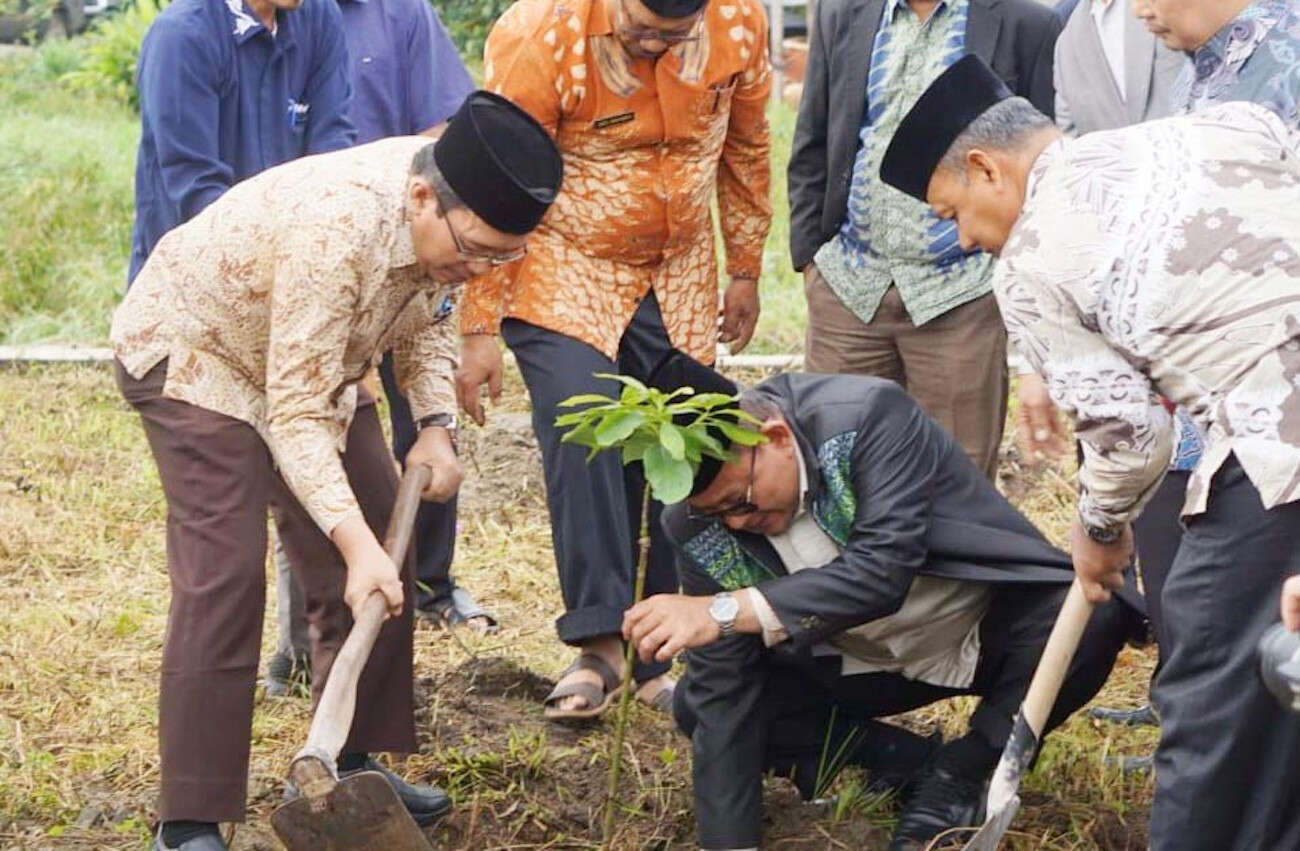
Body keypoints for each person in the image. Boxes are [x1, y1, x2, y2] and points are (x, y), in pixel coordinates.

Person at [111, 93, 563, 851]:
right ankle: (190, 815)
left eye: (499, 256)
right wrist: (352, 546)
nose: (480, 267)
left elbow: (433, 314)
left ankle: (346, 762)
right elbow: (291, 415)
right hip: (199, 354)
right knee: (225, 571)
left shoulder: (450, 227)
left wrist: (435, 428)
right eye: (477, 248)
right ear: (422, 196)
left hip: (312, 361)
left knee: (387, 525)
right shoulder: (338, 228)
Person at [880, 54, 1300, 851]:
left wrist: (1099, 529)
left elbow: (1130, 437)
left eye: (951, 213)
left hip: (1276, 446)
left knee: (1209, 690)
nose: (965, 239)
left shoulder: (1033, 259)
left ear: (985, 168)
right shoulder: (1216, 126)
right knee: (1280, 675)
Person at [622, 351, 1142, 851]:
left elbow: (881, 570)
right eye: (717, 515)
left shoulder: (866, 417)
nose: (735, 523)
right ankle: (912, 763)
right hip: (857, 661)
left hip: (979, 624)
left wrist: (724, 610)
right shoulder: (690, 525)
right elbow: (723, 688)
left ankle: (966, 768)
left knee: (1095, 615)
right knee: (702, 707)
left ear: (775, 436)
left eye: (741, 501)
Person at [456, 0, 773, 720]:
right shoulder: (539, 33)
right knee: (586, 423)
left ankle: (654, 648)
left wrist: (745, 267)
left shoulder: (741, 22)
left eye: (674, 34)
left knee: (680, 439)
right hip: (566, 262)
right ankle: (600, 642)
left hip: (679, 266)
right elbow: (495, 174)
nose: (654, 43)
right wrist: (479, 325)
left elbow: (749, 148)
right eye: (641, 26)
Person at [263, 0, 489, 698]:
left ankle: (427, 589)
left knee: (413, 445)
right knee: (308, 459)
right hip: (308, 264)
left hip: (414, 248)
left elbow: (447, 126)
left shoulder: (401, 15)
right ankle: (300, 650)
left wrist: (409, 185)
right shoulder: (273, 22)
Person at [785, 0, 1060, 481]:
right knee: (835, 469)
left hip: (962, 295)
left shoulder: (1025, 22)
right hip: (849, 286)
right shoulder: (841, 13)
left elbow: (1042, 159)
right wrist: (812, 260)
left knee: (957, 477)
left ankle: (945, 562)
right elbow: (813, 137)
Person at [1034, 0, 1187, 743]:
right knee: (1154, 507)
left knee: (1200, 512)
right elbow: (1076, 157)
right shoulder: (1074, 32)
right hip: (1117, 296)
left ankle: (1192, 705)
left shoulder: (1212, 17)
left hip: (1203, 289)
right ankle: (1170, 690)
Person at [129, 0, 355, 285]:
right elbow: (196, 188)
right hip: (187, 281)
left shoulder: (319, 17)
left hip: (288, 273)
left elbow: (332, 150)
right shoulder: (182, 36)